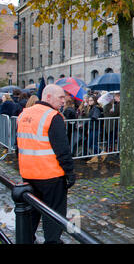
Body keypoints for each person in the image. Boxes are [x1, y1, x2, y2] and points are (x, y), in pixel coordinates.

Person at [15, 84, 76, 244]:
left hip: (28, 175)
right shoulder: (53, 116)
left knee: (32, 212)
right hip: (51, 176)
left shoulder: (24, 114)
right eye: (61, 97)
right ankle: (52, 241)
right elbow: (62, 150)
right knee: (54, 214)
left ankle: (26, 239)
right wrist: (70, 174)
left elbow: (19, 145)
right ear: (48, 97)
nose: (64, 101)